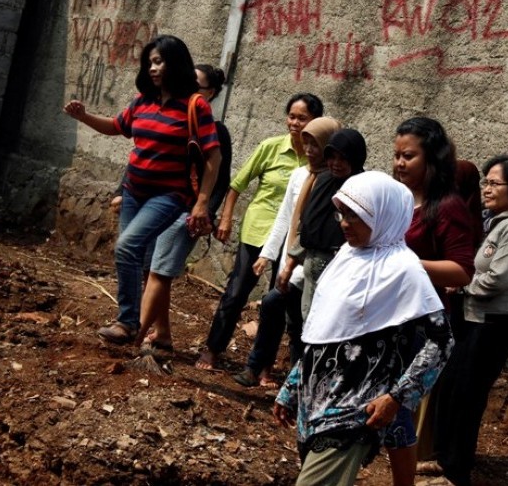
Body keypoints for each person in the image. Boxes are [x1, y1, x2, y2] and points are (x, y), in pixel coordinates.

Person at [273, 171, 454, 486]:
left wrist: (397, 398)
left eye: (355, 215)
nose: (344, 222)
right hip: (314, 407)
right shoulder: (347, 258)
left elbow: (442, 341)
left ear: (382, 215)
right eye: (341, 213)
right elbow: (324, 332)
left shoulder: (404, 269)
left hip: (353, 411)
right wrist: (292, 387)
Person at [63, 35, 221, 345]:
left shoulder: (194, 105)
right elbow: (116, 127)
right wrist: (83, 116)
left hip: (169, 195)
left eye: (159, 61)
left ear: (175, 63)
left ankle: (128, 323)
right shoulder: (142, 100)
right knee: (134, 255)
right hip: (134, 191)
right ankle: (143, 327)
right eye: (149, 62)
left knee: (127, 247)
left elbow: (213, 156)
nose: (152, 68)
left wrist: (202, 203)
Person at [433, 155, 508, 486]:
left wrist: (461, 283)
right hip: (473, 318)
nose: (486, 188)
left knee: (468, 395)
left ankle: (456, 472)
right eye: (485, 181)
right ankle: (443, 460)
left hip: (493, 326)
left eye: (495, 183)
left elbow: (497, 279)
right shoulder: (493, 221)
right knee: (452, 388)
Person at [196, 93, 323, 370]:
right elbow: (237, 185)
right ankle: (213, 349)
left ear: (316, 122)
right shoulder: (270, 147)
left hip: (292, 241)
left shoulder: (317, 160)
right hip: (257, 230)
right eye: (292, 116)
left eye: (303, 118)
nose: (295, 123)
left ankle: (262, 365)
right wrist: (227, 219)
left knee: (277, 301)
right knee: (236, 292)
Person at [391, 117, 476, 484]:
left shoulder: (447, 207)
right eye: (395, 155)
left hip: (418, 322)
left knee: (399, 408)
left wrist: (407, 264)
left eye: (408, 156)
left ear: (432, 160)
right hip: (383, 316)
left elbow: (461, 270)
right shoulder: (395, 198)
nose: (398, 163)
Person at [232, 117, 345, 387]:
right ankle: (261, 369)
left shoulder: (334, 182)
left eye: (315, 145)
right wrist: (268, 254)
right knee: (284, 312)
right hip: (290, 258)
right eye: (306, 144)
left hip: (313, 263)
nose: (309, 150)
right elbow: (285, 218)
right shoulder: (299, 175)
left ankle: (290, 377)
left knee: (292, 317)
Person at [134, 64, 232, 351]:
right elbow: (147, 155)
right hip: (158, 207)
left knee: (159, 273)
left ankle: (136, 337)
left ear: (209, 93)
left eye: (195, 84)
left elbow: (221, 178)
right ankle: (161, 332)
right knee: (149, 271)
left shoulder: (215, 131)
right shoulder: (171, 119)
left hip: (186, 213)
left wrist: (205, 213)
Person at [275, 128, 368, 320]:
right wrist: (288, 267)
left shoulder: (362, 189)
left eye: (342, 158)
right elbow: (309, 227)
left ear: (356, 158)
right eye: (331, 157)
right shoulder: (324, 180)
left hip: (340, 275)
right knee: (301, 321)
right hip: (311, 270)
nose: (335, 163)